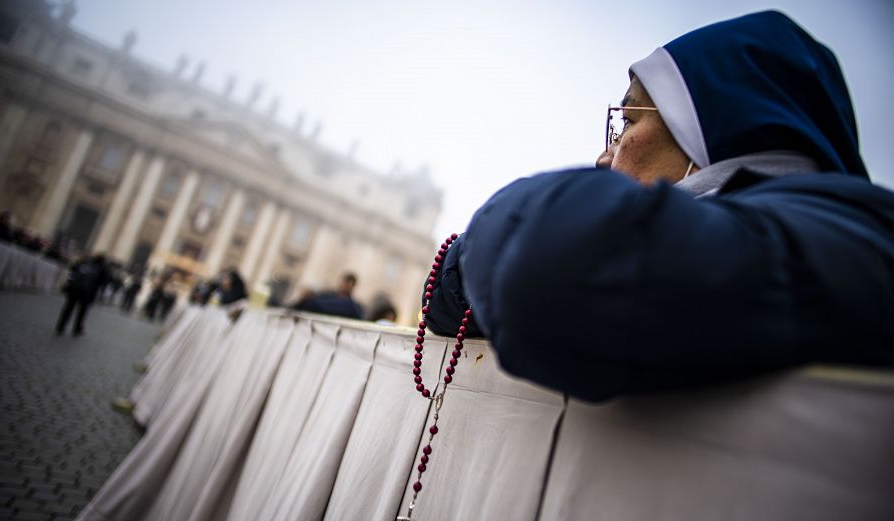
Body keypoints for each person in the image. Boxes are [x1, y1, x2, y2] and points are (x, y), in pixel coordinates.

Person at [425, 11, 894, 402]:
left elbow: (547, 269)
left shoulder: (852, 238)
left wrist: (488, 252)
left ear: (715, 136)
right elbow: (447, 305)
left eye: (627, 121)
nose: (605, 156)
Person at [56, 254, 109, 336]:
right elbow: (103, 282)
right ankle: (77, 328)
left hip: (74, 289)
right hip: (87, 292)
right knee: (82, 312)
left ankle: (61, 326)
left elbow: (73, 270)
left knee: (68, 308)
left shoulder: (84, 263)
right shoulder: (102, 269)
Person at [291, 272, 364, 319]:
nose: (344, 285)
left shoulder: (353, 307)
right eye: (345, 282)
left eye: (349, 283)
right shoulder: (324, 297)